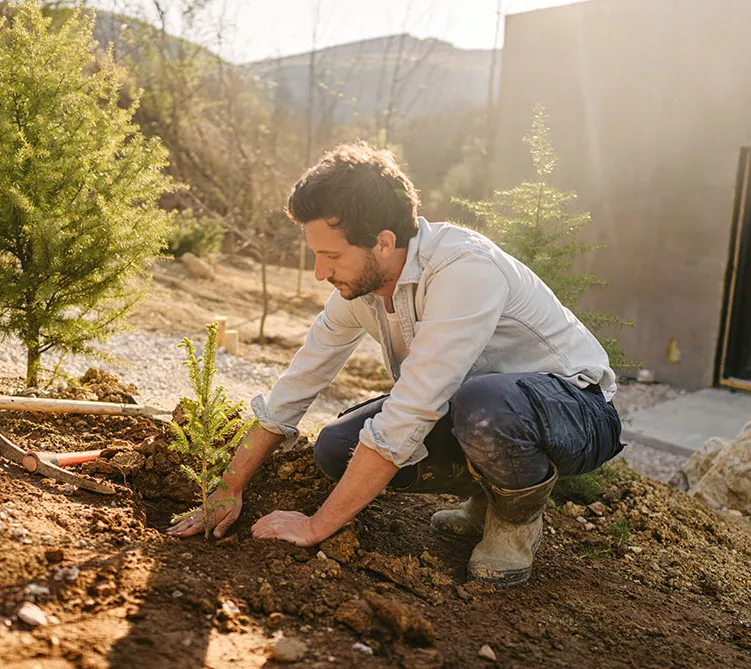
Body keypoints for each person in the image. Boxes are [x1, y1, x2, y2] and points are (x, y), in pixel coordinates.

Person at [167, 142, 623, 588]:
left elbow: (412, 411)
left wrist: (315, 526)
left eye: (331, 256)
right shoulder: (360, 289)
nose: (319, 273)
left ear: (383, 243)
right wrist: (229, 486)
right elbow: (298, 384)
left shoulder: (463, 269)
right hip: (474, 407)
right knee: (335, 447)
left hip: (575, 410)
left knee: (483, 405)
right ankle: (484, 497)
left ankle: (515, 521)